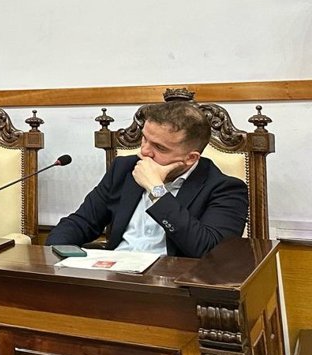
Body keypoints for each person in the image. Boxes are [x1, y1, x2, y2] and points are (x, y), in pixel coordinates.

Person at [47, 101, 247, 258]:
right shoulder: (124, 169)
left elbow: (208, 251)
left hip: (171, 286)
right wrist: (54, 255)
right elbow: (81, 222)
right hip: (115, 276)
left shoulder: (225, 189)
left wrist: (156, 190)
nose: (144, 151)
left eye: (159, 147)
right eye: (144, 139)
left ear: (190, 158)